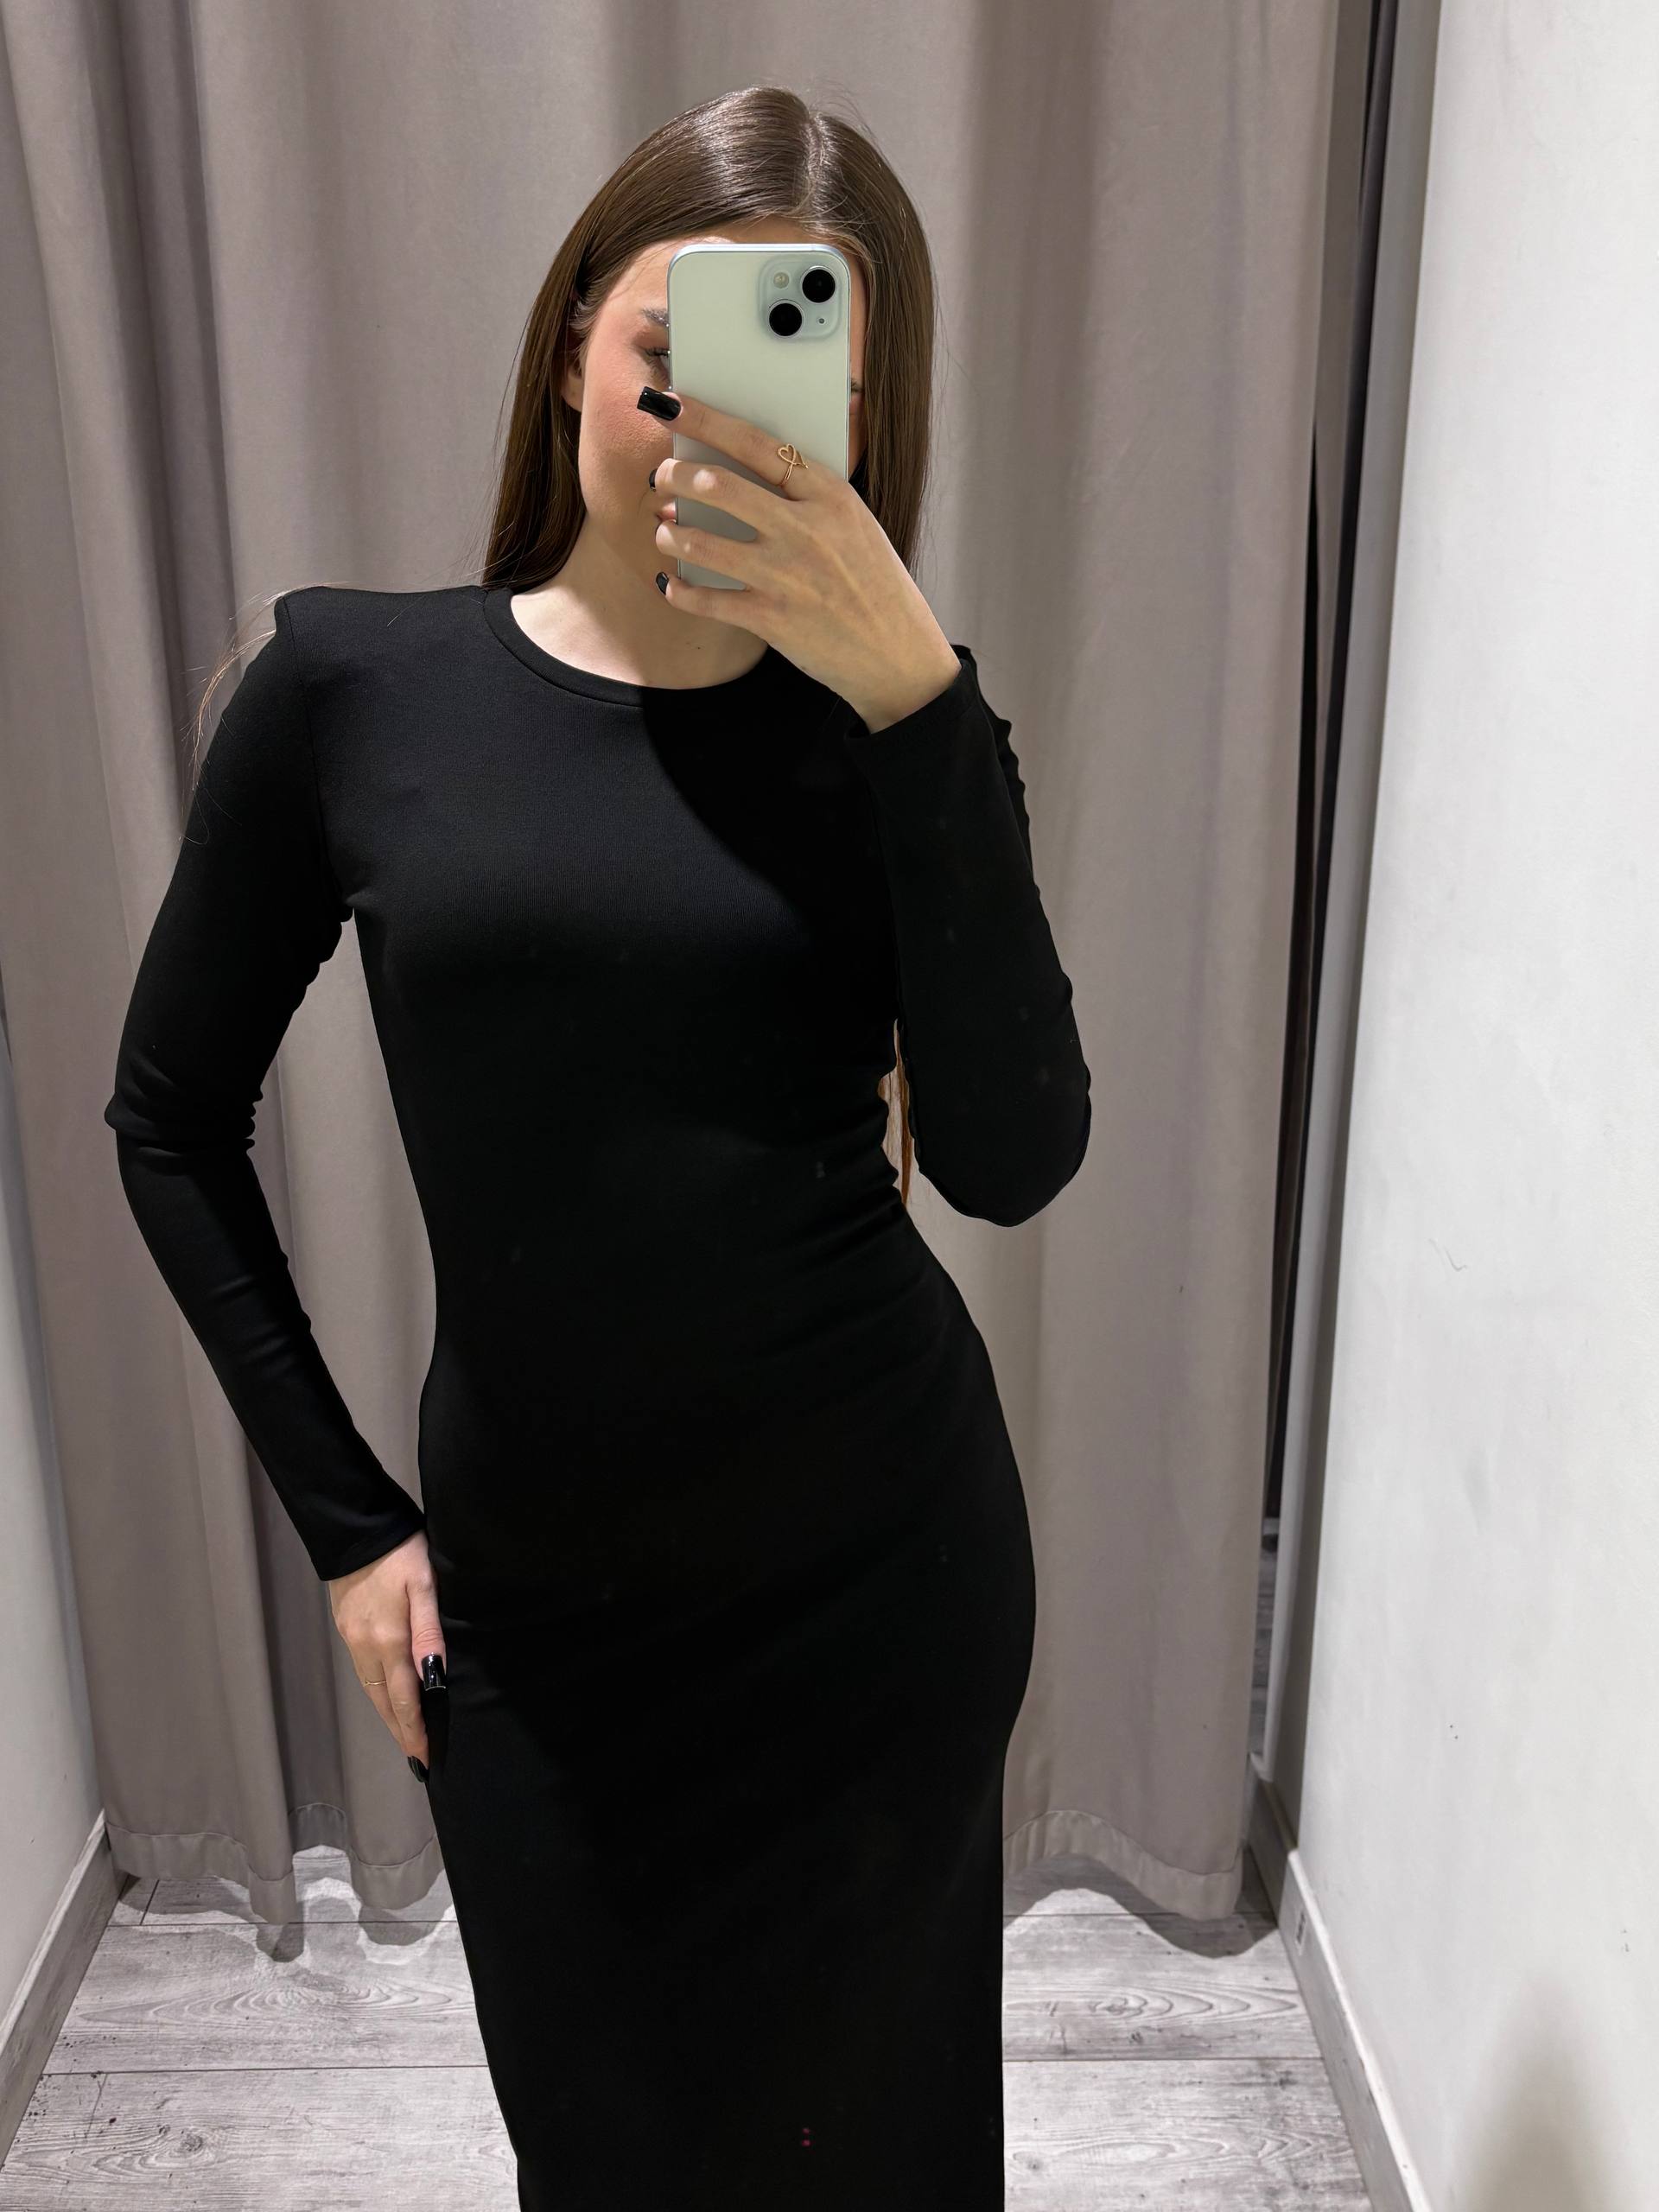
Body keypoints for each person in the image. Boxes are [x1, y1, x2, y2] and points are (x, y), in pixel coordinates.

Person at [104, 86, 1090, 2212]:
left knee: (885, 2158)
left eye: (786, 375)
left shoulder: (903, 734)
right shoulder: (353, 690)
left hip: (879, 1598)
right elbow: (167, 1121)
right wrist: (351, 1530)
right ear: (571, 342)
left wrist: (920, 701)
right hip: (546, 1642)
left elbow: (1014, 1158)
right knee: (611, 2159)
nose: (704, 419)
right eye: (665, 352)